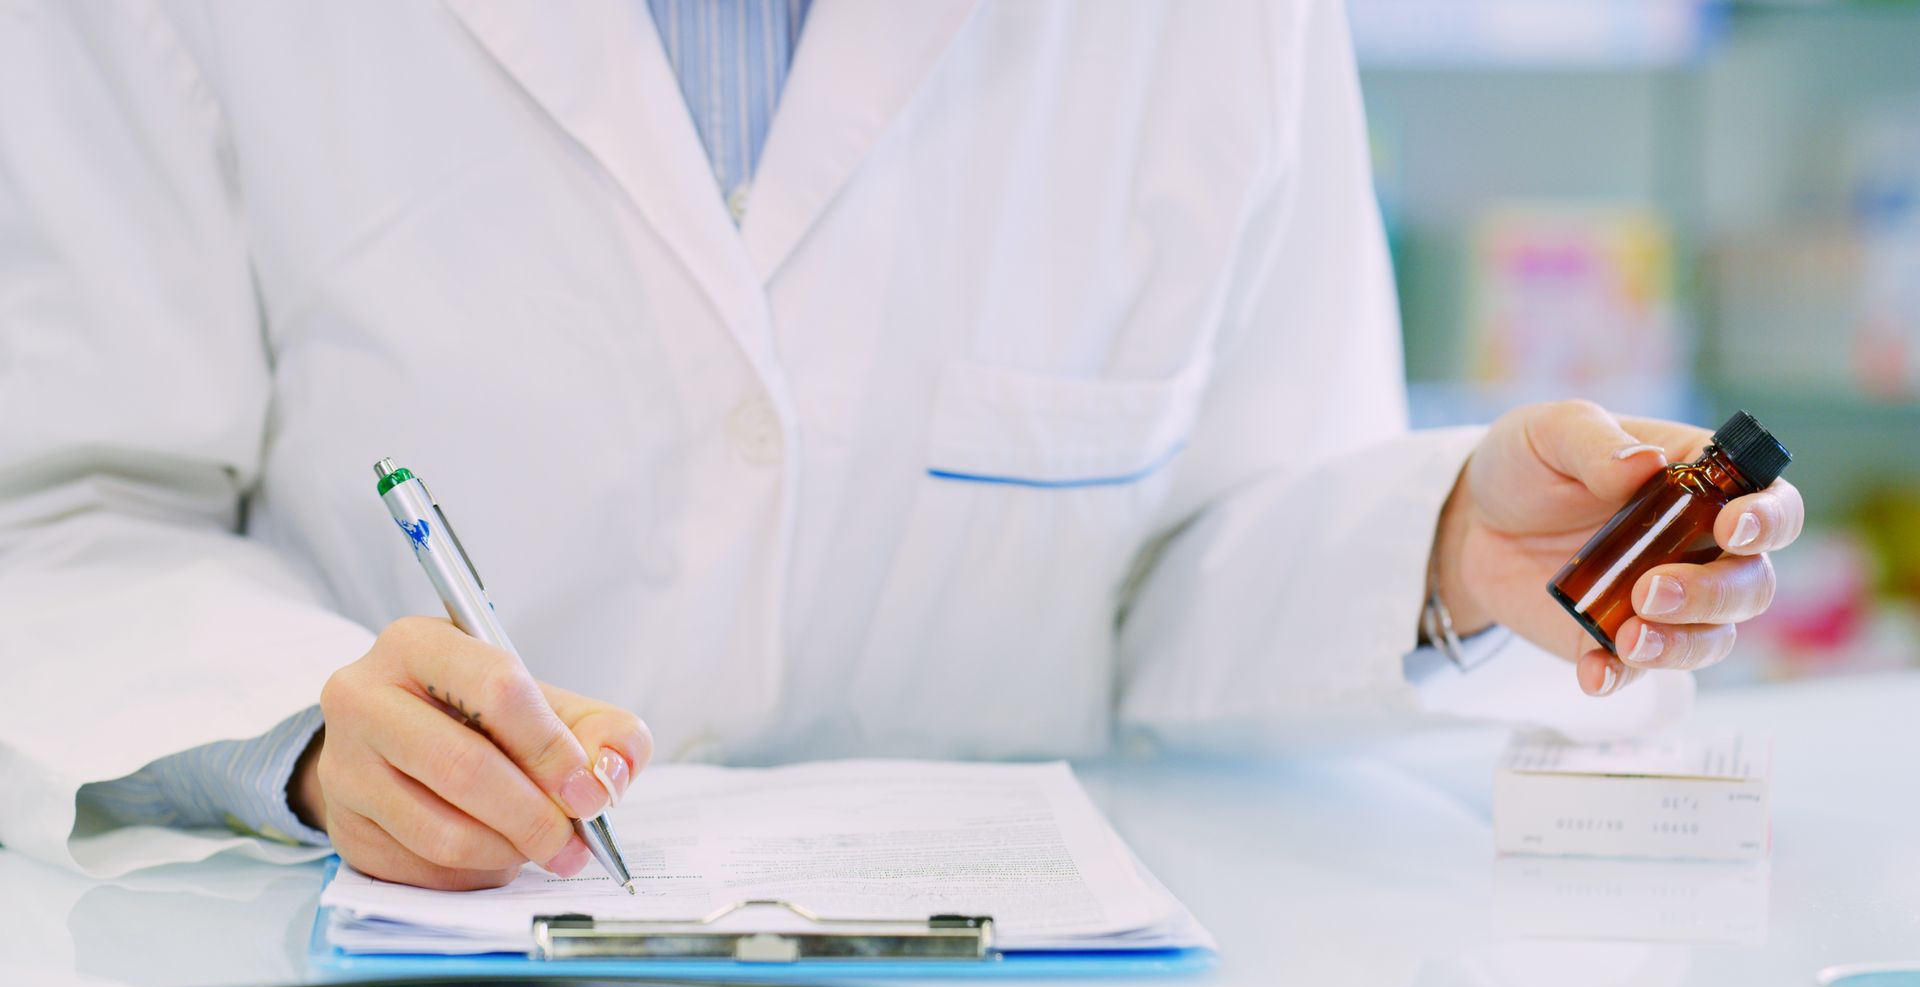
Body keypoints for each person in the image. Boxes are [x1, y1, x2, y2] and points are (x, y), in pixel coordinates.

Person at [0, 0, 1801, 891]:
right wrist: (310, 733)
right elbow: (67, 509)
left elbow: (1194, 556)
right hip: (381, 963)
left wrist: (1429, 560)